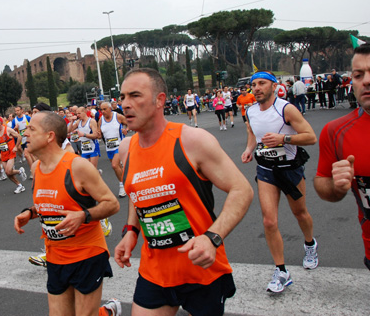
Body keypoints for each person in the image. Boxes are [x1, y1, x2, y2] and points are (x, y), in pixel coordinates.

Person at [114, 68, 253, 315]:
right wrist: (131, 230)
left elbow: (241, 189)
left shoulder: (192, 141)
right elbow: (139, 194)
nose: (125, 104)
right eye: (122, 97)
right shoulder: (126, 149)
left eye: (135, 95)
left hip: (201, 269)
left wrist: (212, 238)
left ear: (160, 100)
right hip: (155, 272)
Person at [14, 111, 120, 316]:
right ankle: (107, 312)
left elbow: (112, 204)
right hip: (56, 257)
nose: (25, 133)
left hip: (87, 255)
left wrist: (83, 216)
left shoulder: (77, 166)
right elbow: (53, 204)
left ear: (49, 136)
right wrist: (30, 212)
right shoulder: (36, 168)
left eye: (31, 129)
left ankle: (107, 311)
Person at [241, 71, 318, 294]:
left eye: (262, 83)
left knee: (300, 213)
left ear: (274, 86)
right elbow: (252, 133)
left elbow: (310, 136)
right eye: (253, 84)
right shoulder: (250, 110)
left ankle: (310, 244)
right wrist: (249, 149)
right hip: (266, 170)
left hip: (290, 169)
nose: (256, 88)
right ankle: (281, 271)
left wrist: (283, 139)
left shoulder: (286, 109)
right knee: (269, 221)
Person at [314, 45, 370, 270]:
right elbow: (322, 183)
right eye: (358, 75)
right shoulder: (335, 131)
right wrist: (337, 186)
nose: (366, 81)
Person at [98, 101, 128, 197]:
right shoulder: (101, 120)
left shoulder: (117, 116)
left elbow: (129, 123)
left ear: (110, 109)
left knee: (115, 165)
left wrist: (126, 129)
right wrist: (97, 135)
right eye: (101, 109)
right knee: (117, 167)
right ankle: (127, 182)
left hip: (119, 145)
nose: (102, 111)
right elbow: (99, 134)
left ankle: (122, 186)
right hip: (109, 147)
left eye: (104, 109)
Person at [0, 116, 27, 194]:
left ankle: (20, 181)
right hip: (3, 154)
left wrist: (16, 146)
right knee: (8, 173)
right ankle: (19, 183)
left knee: (8, 171)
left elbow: (19, 136)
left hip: (11, 152)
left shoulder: (7, 129)